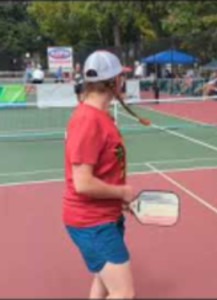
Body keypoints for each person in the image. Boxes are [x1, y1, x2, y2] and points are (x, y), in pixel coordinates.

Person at [63, 50, 135, 299]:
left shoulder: (98, 117)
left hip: (105, 217)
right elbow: (82, 183)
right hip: (92, 222)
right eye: (121, 77)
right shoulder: (88, 120)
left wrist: (116, 199)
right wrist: (122, 192)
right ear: (114, 82)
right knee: (124, 293)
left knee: (103, 283)